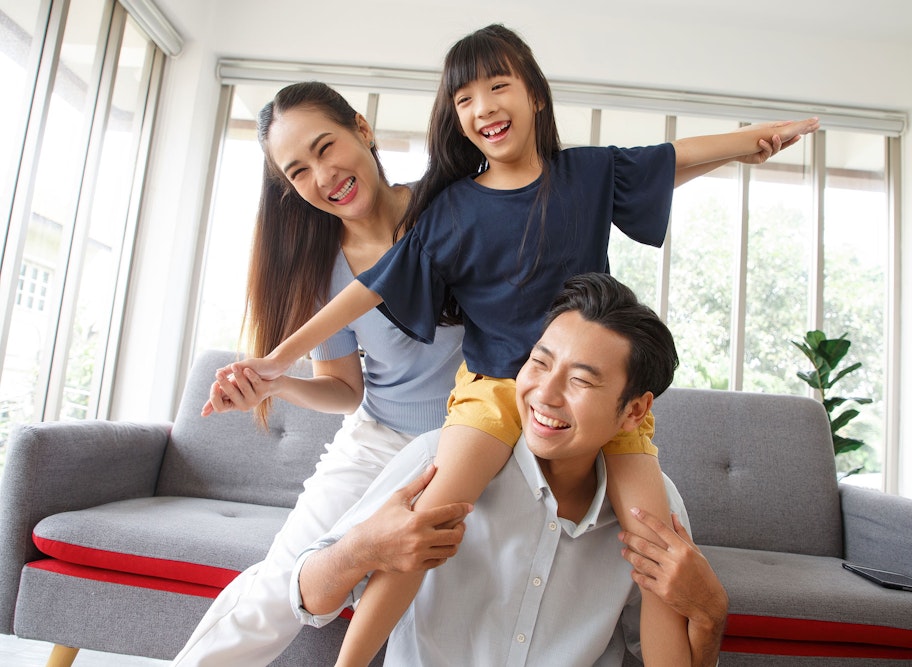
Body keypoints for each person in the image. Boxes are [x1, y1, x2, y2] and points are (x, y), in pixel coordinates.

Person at [224, 24, 817, 666]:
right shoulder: (449, 208)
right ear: (455, 119)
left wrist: (749, 143)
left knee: (659, 545)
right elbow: (368, 290)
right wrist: (278, 360)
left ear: (534, 94)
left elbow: (668, 158)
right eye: (464, 99)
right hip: (490, 387)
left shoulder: (587, 174)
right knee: (429, 519)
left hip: (590, 388)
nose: (483, 107)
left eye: (499, 86)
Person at [171, 81, 471, 666]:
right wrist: (276, 383)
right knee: (282, 582)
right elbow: (344, 391)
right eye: (298, 171)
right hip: (380, 439)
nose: (322, 175)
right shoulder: (322, 268)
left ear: (363, 128)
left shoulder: (450, 206)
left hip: (478, 438)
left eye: (326, 146)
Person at [293, 272, 722, 666]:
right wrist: (362, 548)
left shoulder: (654, 512)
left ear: (635, 412)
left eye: (581, 381)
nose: (545, 394)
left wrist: (710, 616)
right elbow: (309, 599)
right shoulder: (436, 462)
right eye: (540, 362)